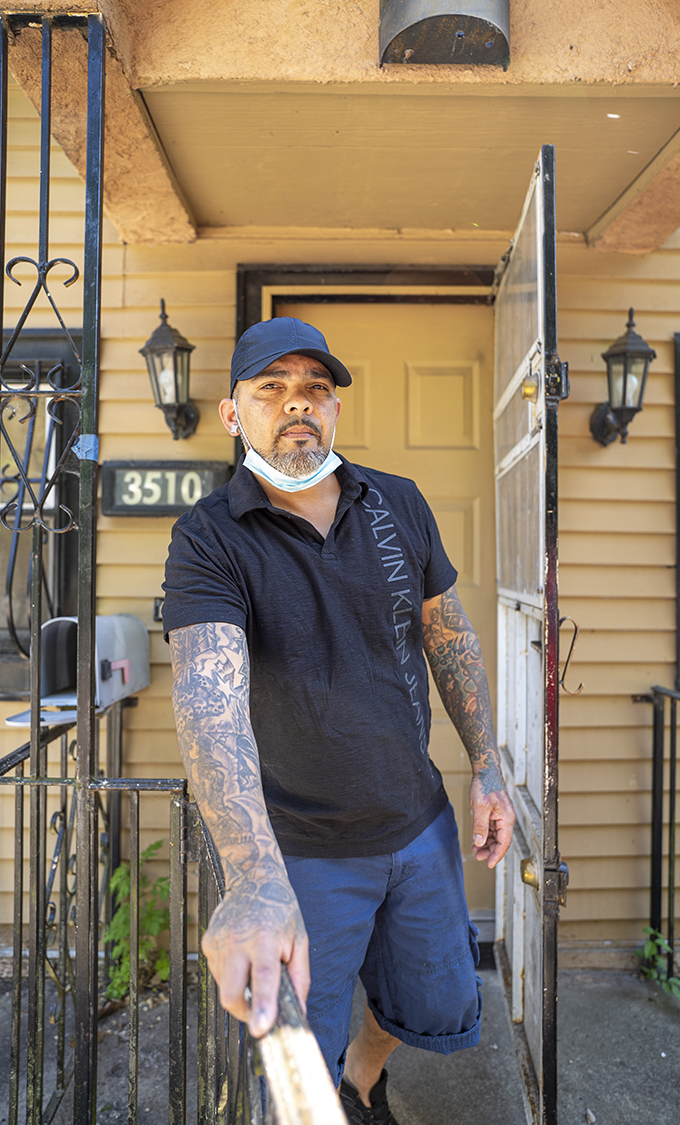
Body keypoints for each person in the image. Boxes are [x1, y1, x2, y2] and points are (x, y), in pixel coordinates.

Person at [163, 317, 515, 1125]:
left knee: (431, 997)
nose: (297, 405)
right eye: (272, 389)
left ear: (335, 411)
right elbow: (208, 701)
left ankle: (364, 1075)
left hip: (417, 822)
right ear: (232, 414)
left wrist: (487, 764)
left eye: (315, 389)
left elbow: (448, 636)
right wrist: (254, 874)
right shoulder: (209, 537)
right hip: (300, 850)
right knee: (294, 1066)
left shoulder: (398, 501)